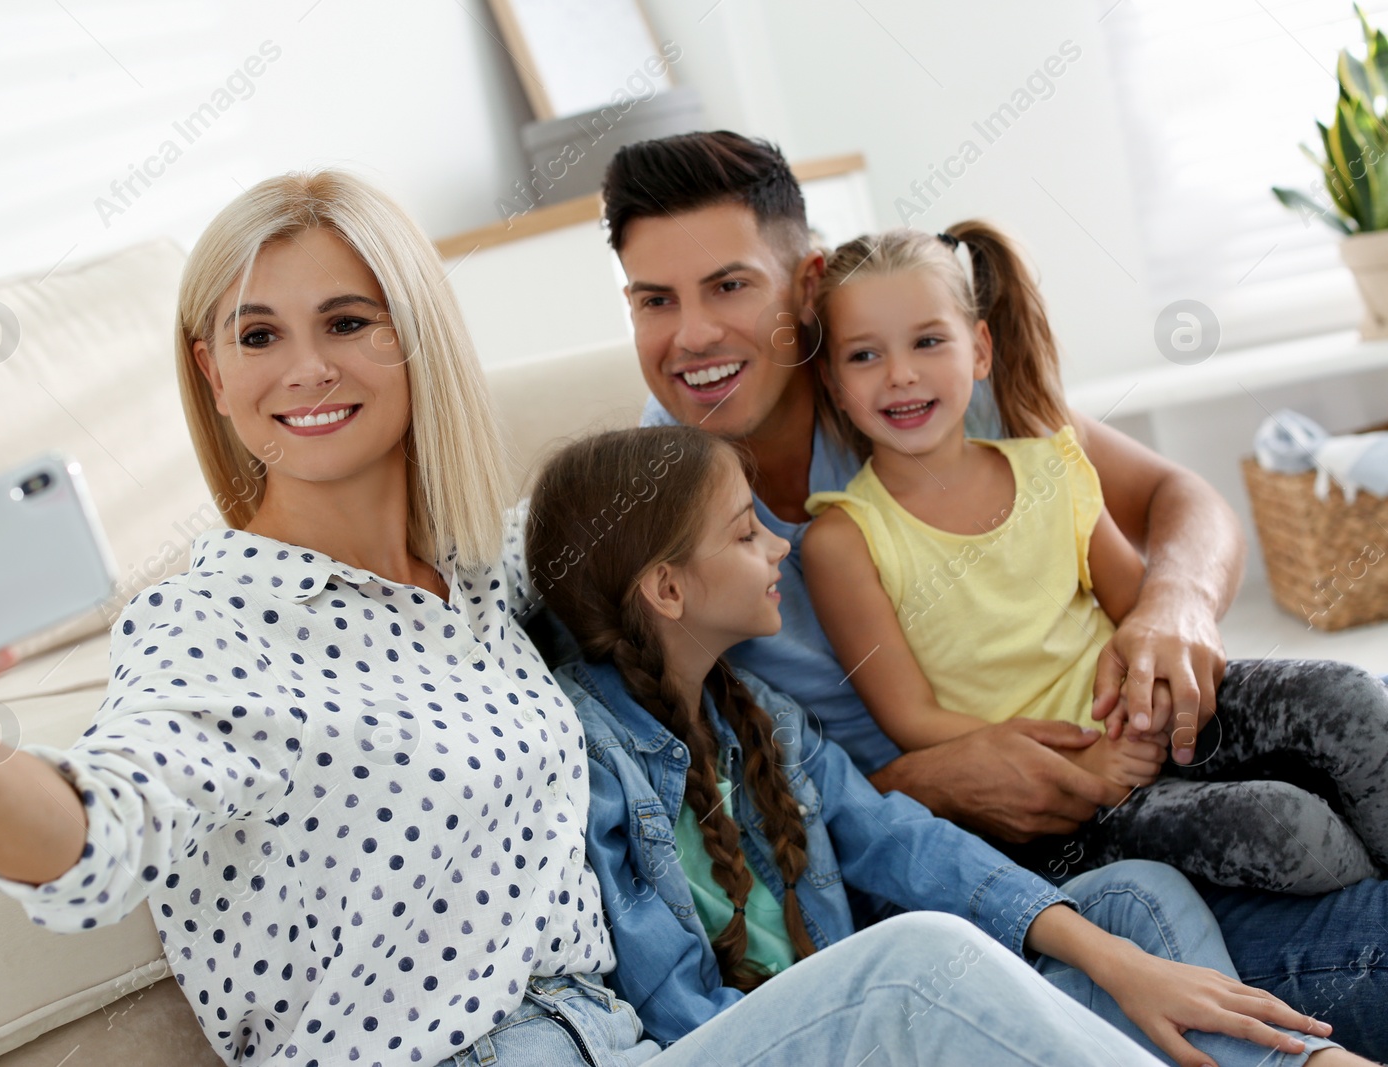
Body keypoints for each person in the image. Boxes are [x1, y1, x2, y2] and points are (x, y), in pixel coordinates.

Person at [0, 170, 1213, 1067]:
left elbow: (705, 635)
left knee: (1120, 914)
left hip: (633, 1036)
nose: (305, 368)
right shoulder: (206, 623)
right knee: (916, 972)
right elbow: (94, 833)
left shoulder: (485, 587)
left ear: (416, 341)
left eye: (349, 320)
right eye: (256, 332)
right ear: (210, 372)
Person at [599, 129, 1388, 1055]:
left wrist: (1172, 603)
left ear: (807, 285)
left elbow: (1182, 500)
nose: (692, 336)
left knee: (1348, 726)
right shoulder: (646, 520)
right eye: (655, 300)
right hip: (987, 862)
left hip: (1128, 735)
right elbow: (719, 803)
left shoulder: (912, 385)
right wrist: (924, 780)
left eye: (730, 285)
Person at [525, 423, 1358, 1067]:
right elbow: (679, 1009)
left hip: (882, 1015)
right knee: (929, 957)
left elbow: (906, 842)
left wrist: (1114, 960)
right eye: (747, 533)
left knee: (1136, 900)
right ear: (667, 588)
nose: (780, 545)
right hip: (818, 1036)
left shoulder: (758, 715)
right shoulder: (592, 760)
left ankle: (1310, 1058)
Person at [795, 222, 1388, 896]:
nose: (901, 373)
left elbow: (1139, 608)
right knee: (1286, 827)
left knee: (1350, 700)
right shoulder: (843, 540)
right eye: (864, 355)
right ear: (834, 382)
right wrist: (1084, 757)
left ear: (980, 349)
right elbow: (913, 720)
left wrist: (1148, 702)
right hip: (1063, 803)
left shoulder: (1055, 465)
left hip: (1151, 721)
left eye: (929, 341)